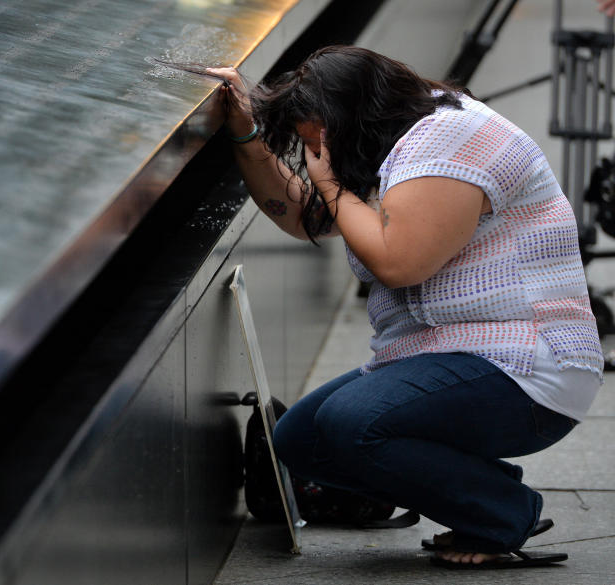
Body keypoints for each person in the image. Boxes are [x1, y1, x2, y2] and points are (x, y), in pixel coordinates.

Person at [209, 46, 604, 569]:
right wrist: (245, 134)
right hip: (449, 354)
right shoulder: (394, 138)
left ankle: (501, 513)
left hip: (526, 367)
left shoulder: (451, 138)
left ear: (349, 118)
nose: (313, 155)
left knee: (353, 423)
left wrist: (327, 180)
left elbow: (399, 263)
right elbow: (306, 216)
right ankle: (481, 489)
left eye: (316, 142)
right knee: (301, 441)